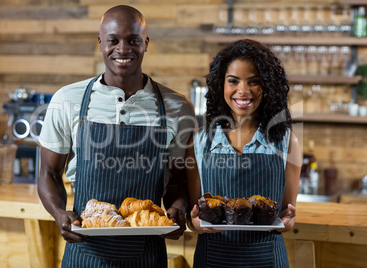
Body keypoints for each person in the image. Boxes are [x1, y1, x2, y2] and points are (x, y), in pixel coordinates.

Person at [37, 5, 195, 268]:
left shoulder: (178, 107)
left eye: (133, 40)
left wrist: (177, 209)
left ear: (146, 43)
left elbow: (178, 180)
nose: (122, 49)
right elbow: (48, 173)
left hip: (148, 255)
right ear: (100, 43)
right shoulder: (67, 100)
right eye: (113, 40)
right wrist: (59, 213)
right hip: (84, 252)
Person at [186, 39, 302, 267]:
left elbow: (288, 214)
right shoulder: (199, 142)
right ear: (221, 85)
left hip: (267, 259)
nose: (243, 91)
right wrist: (195, 224)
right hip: (213, 259)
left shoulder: (288, 143)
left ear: (267, 86)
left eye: (254, 82)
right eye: (233, 81)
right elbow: (194, 216)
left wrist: (288, 222)